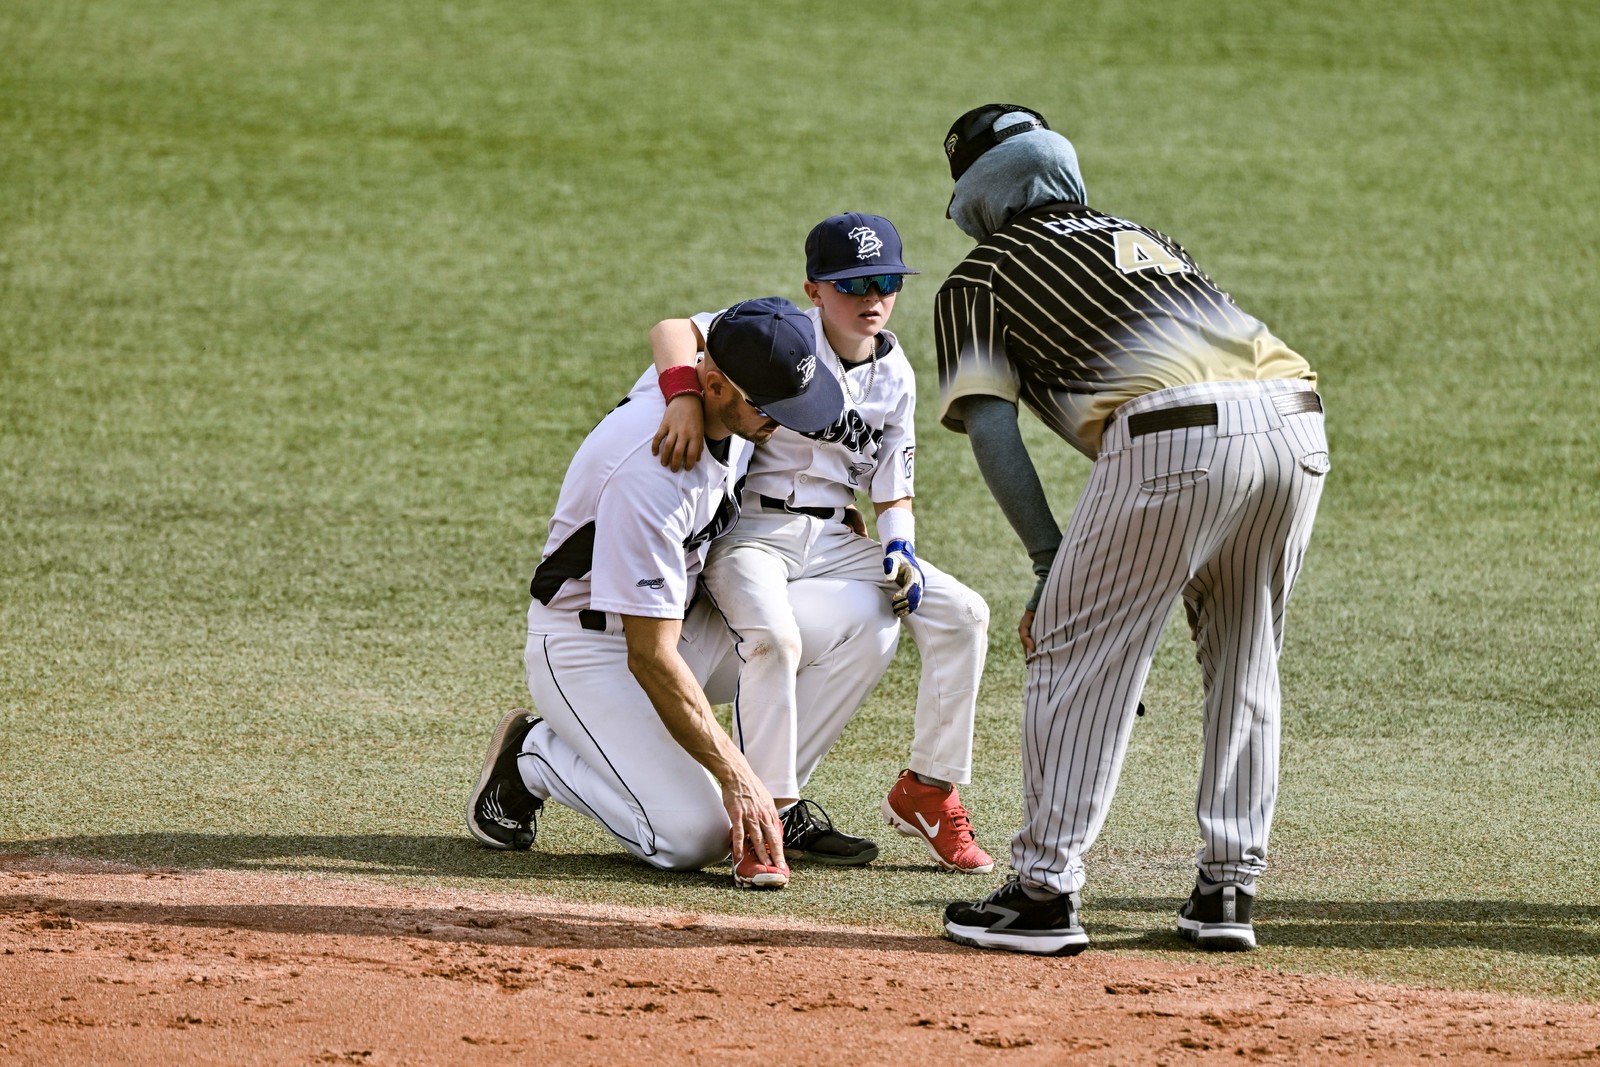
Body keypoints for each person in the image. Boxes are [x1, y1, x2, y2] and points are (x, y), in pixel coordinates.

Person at [934, 105, 1329, 954]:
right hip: (1297, 422)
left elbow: (992, 427)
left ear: (978, 195)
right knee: (1245, 651)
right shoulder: (1145, 237)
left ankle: (1043, 890)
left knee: (1073, 649)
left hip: (1174, 434)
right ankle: (1228, 889)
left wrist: (1050, 561)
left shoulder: (981, 274)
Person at [466, 297, 901, 890]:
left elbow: (686, 331)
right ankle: (534, 756)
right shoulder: (654, 476)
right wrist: (733, 775)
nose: (785, 423)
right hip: (591, 651)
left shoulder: (731, 377)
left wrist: (683, 395)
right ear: (716, 387)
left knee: (865, 615)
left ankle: (773, 806)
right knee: (692, 839)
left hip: (684, 624)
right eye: (771, 408)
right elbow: (649, 656)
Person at [648, 213, 995, 877]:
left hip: (834, 537)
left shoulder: (897, 375)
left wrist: (899, 547)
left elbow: (894, 486)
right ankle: (770, 815)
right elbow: (672, 330)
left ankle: (928, 787)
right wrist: (683, 396)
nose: (873, 297)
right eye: (853, 283)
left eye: (886, 281)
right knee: (774, 639)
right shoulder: (782, 334)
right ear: (814, 290)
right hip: (753, 534)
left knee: (964, 613)